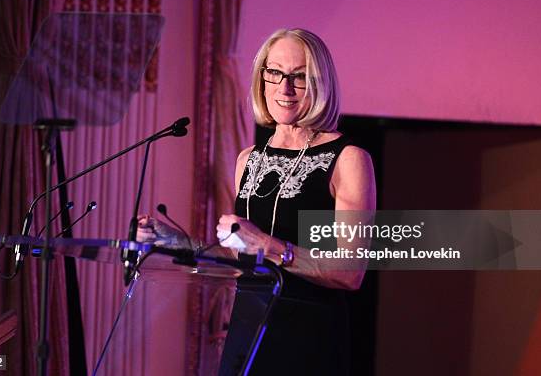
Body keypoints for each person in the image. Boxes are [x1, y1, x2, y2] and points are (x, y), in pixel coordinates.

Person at [139, 28, 376, 375]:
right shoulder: (247, 159)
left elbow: (350, 271)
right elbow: (240, 257)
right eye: (275, 72)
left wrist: (267, 244)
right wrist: (176, 242)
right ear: (262, 78)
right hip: (248, 330)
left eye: (299, 76)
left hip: (308, 337)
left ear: (321, 83)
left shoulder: (349, 158)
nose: (285, 88)